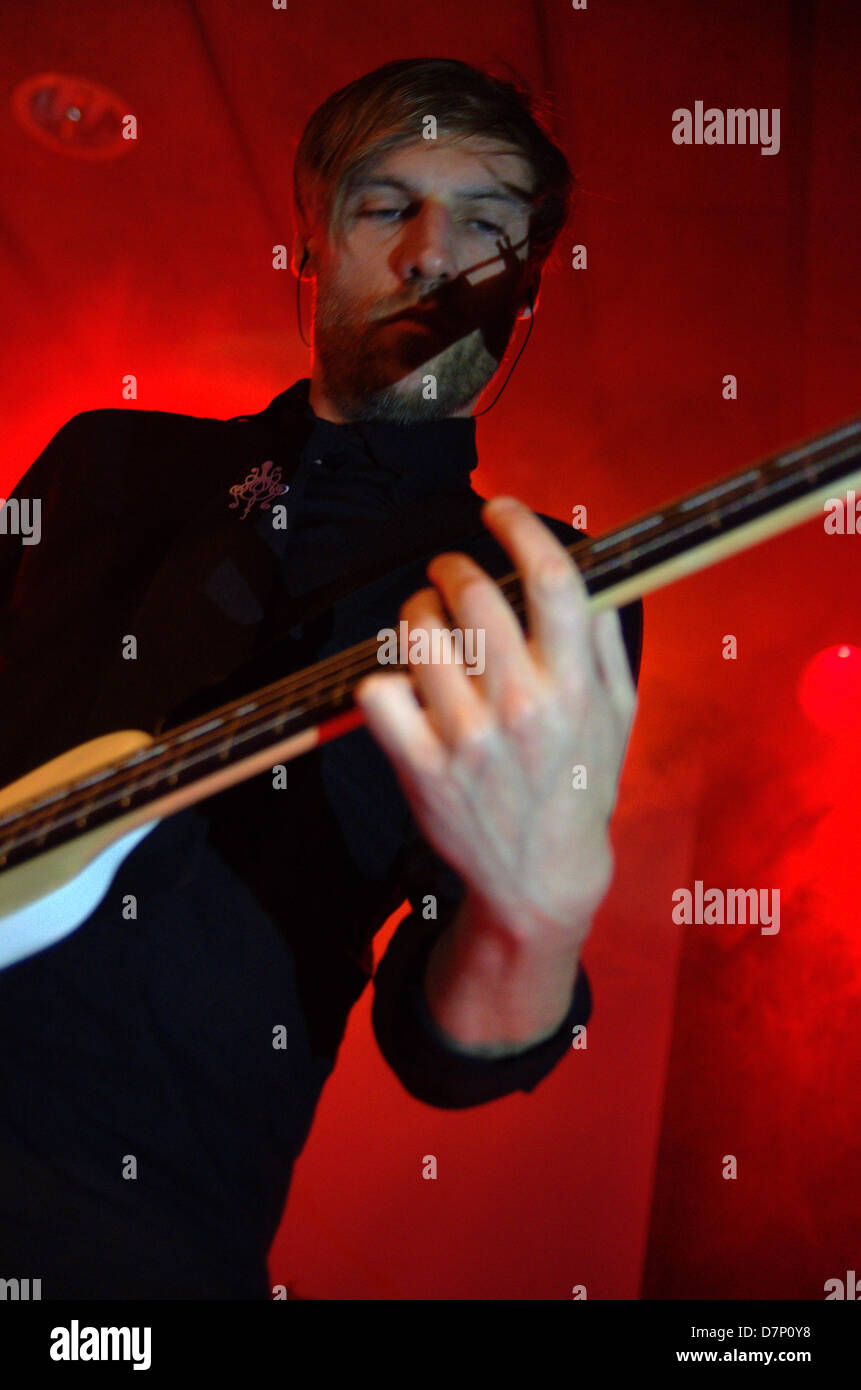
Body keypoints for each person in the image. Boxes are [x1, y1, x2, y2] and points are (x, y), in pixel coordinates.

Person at [0, 57, 642, 1299]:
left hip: (126, 1238)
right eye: (385, 205)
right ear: (310, 244)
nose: (430, 256)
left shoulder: (532, 582)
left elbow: (445, 1045)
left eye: (487, 224)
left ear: (527, 288)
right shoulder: (105, 457)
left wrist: (540, 914)